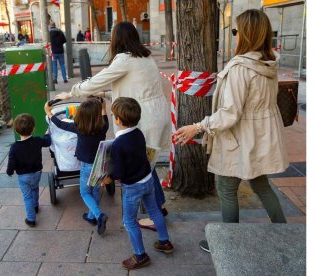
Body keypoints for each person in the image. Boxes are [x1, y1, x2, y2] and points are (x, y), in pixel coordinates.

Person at [173, 9, 289, 253]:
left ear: (246, 34)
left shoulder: (240, 68)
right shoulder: (269, 64)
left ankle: (228, 242)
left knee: (226, 189)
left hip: (239, 138)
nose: (234, 35)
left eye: (236, 31)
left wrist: (197, 127)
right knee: (261, 185)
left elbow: (230, 113)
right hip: (260, 137)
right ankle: (286, 231)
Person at [53, 21, 170, 230]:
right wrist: (103, 94)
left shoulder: (124, 60)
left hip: (144, 119)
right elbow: (130, 91)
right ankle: (158, 208)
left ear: (117, 39)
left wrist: (72, 92)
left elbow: (97, 80)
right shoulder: (145, 57)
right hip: (153, 114)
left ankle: (154, 213)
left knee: (141, 168)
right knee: (146, 164)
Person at [102, 97, 174, 270]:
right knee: (154, 211)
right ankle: (165, 242)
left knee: (129, 221)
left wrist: (108, 178)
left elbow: (119, 173)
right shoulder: (138, 133)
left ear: (119, 120)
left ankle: (140, 256)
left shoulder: (119, 144)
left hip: (133, 187)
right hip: (148, 180)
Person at [44, 98, 109, 235]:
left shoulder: (79, 128)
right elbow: (104, 115)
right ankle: (91, 217)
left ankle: (98, 214)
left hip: (86, 165)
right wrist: (103, 106)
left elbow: (60, 124)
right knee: (95, 191)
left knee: (85, 192)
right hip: (99, 164)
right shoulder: (103, 127)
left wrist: (48, 112)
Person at [6, 114, 51, 227]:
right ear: (33, 128)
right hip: (37, 173)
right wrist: (47, 134)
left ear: (16, 130)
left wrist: (10, 172)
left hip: (23, 177)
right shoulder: (37, 141)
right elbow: (47, 142)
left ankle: (31, 219)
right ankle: (35, 206)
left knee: (27, 197)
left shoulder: (14, 147)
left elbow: (11, 163)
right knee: (35, 188)